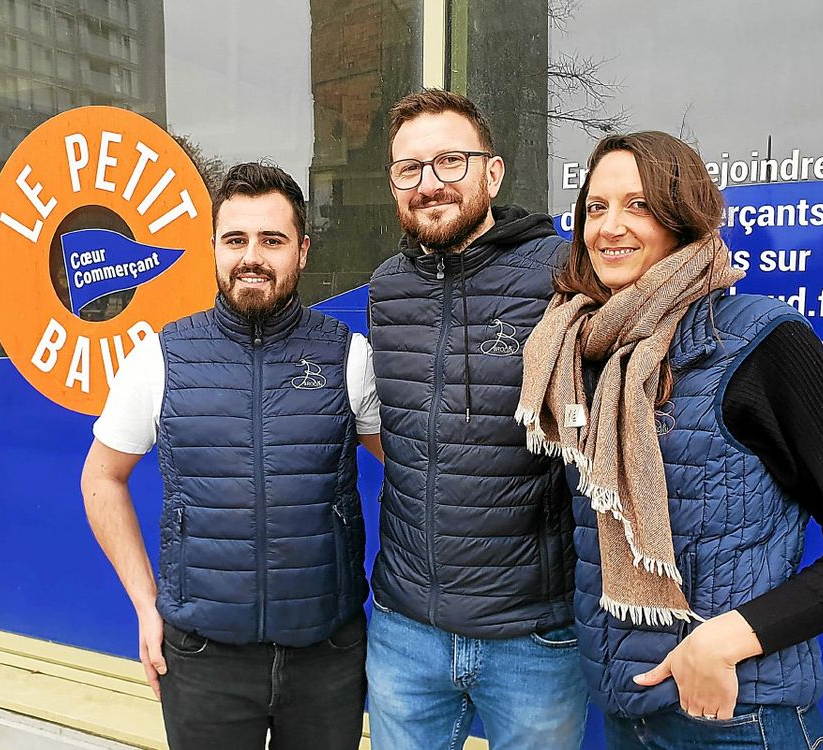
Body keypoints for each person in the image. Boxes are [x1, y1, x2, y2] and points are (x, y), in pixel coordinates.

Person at [516, 131, 823, 748]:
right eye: (595, 208)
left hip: (739, 716)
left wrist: (723, 640)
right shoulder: (576, 350)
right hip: (631, 712)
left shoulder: (760, 341)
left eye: (640, 205)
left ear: (683, 218)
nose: (609, 227)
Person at [81, 162, 384, 750]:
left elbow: (413, 469)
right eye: (235, 239)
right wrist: (146, 607)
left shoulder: (348, 356)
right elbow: (101, 478)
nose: (253, 256)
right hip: (202, 658)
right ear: (214, 248)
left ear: (302, 250)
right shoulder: (160, 358)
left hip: (326, 655)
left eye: (272, 240)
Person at [366, 89, 588, 750]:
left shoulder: (561, 274)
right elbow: (406, 431)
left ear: (492, 174)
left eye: (449, 163)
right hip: (405, 629)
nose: (429, 184)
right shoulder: (386, 287)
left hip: (533, 636)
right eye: (410, 169)